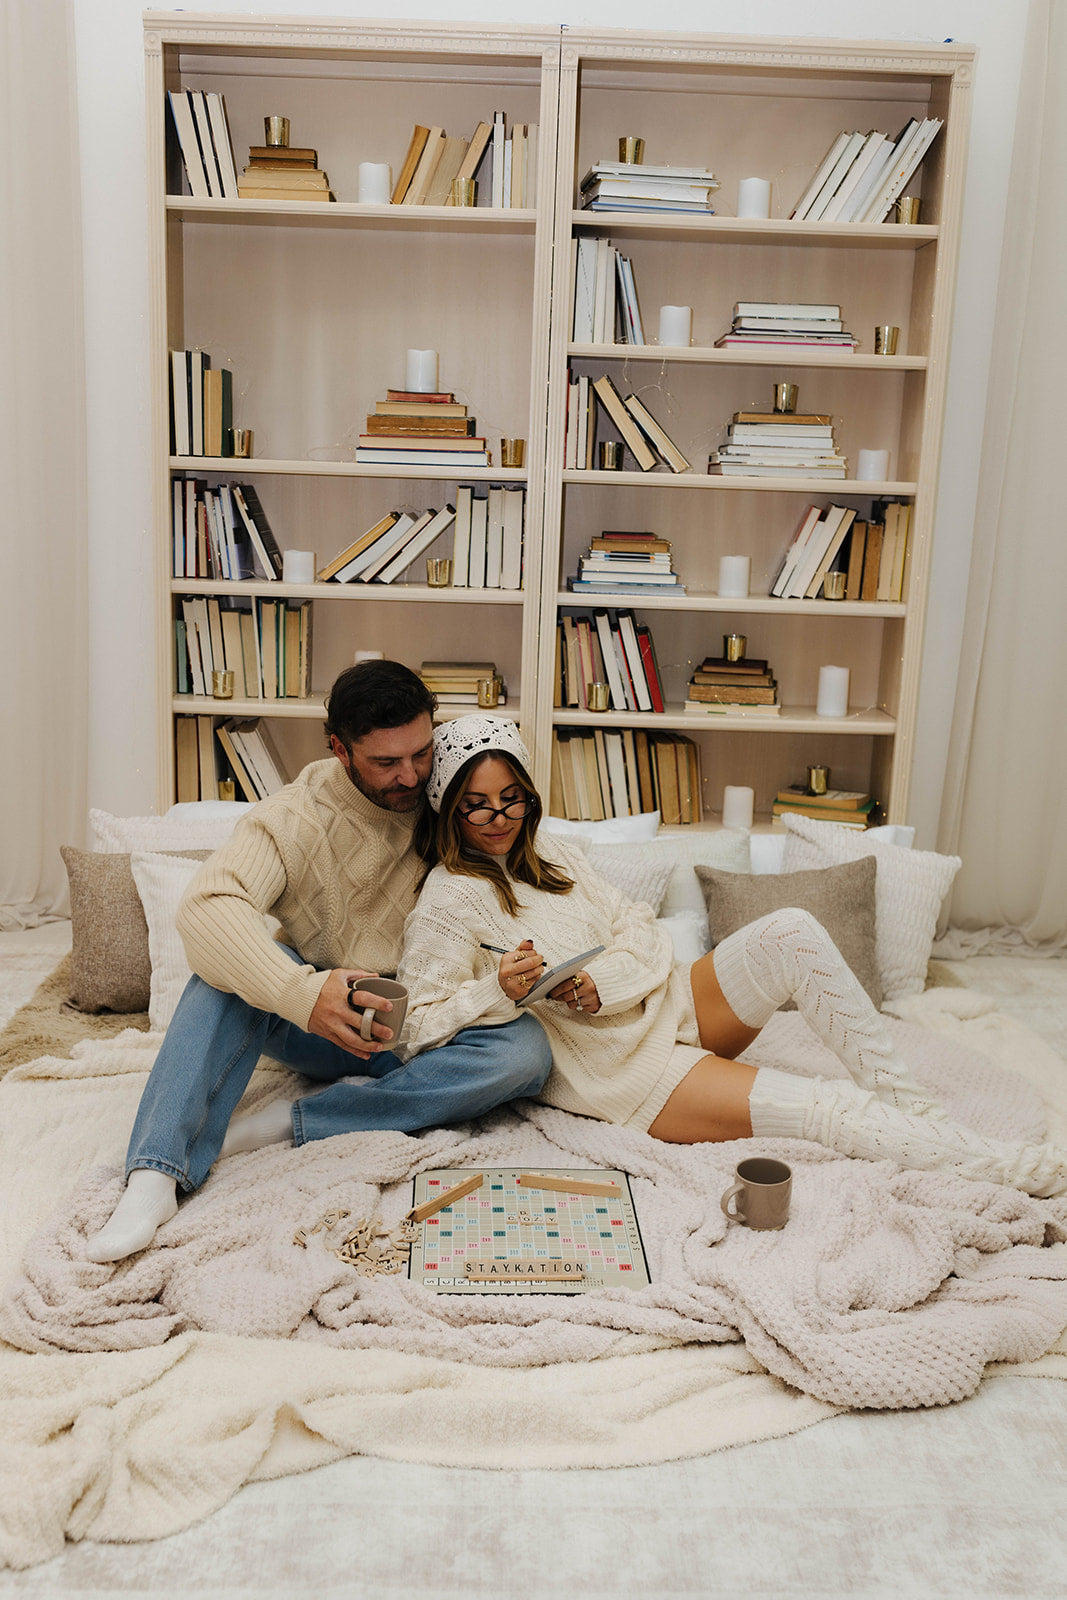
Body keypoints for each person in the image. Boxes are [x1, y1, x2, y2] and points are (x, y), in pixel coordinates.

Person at [394, 715, 1067, 1198]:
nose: (496, 818)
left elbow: (642, 931)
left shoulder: (556, 857)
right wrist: (498, 993)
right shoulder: (450, 899)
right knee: (821, 1107)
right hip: (626, 1070)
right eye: (475, 806)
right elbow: (415, 1027)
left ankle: (916, 1114)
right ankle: (1008, 1169)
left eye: (511, 799)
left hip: (667, 1002)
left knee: (792, 930)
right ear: (448, 810)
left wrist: (604, 981)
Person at [85, 664, 553, 1263]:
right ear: (340, 749)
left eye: (420, 751)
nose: (411, 775)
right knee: (222, 970)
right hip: (324, 1022)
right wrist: (301, 993)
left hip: (432, 1027)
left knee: (526, 1052)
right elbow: (207, 907)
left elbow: (522, 832)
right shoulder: (294, 816)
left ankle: (293, 1121)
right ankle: (154, 1175)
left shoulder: (448, 784)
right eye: (387, 763)